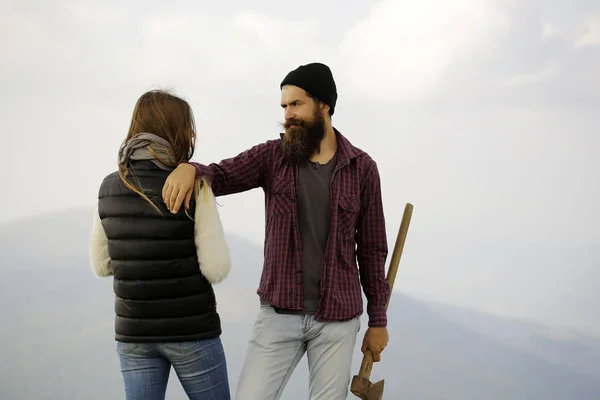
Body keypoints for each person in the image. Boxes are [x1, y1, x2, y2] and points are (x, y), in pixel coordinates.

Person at [162, 62, 390, 400]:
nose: (288, 114)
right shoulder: (273, 156)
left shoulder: (362, 169)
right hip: (278, 314)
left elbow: (372, 250)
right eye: (284, 106)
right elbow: (222, 175)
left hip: (338, 321)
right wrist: (190, 169)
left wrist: (378, 321)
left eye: (296, 104)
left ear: (324, 106)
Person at [89, 90, 232, 400]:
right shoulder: (195, 186)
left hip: (134, 334)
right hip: (192, 331)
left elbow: (101, 265)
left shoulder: (109, 186)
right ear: (179, 131)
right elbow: (216, 267)